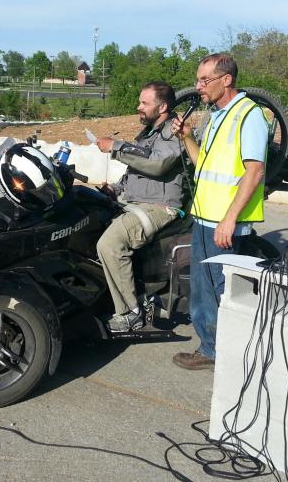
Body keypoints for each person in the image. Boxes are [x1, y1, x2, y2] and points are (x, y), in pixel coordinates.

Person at [170, 54, 268, 370]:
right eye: (198, 80)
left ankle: (220, 352)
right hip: (204, 216)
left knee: (220, 288)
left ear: (225, 80)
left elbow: (254, 171)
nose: (199, 87)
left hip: (223, 221)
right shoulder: (216, 117)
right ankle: (211, 347)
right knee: (203, 288)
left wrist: (229, 219)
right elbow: (204, 164)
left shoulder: (248, 115)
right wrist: (186, 137)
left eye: (204, 80)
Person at [95, 82, 186, 332]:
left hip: (159, 206)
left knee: (110, 244)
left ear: (163, 106)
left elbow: (157, 164)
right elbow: (133, 173)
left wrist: (116, 147)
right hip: (136, 202)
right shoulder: (147, 134)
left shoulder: (173, 132)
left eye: (144, 103)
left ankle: (130, 314)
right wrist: (114, 189)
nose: (138, 107)